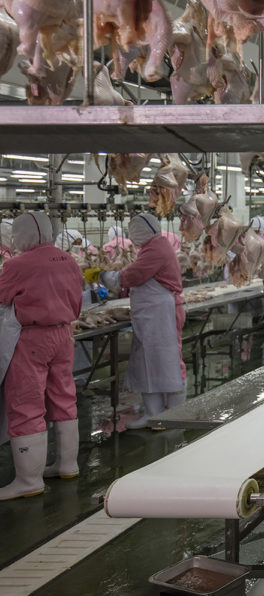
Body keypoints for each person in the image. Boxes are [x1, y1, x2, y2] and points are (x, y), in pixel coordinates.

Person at [0, 211, 84, 499]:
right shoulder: (68, 259)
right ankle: (67, 464)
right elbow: (78, 298)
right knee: (63, 395)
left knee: (26, 402)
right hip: (63, 334)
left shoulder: (17, 264)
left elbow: (2, 298)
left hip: (33, 337)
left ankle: (28, 480)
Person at [100, 214, 186, 429]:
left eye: (134, 229)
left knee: (168, 362)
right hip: (152, 316)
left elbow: (133, 276)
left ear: (143, 230)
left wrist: (106, 277)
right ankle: (152, 414)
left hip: (161, 314)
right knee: (148, 363)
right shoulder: (153, 246)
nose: (131, 233)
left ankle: (174, 416)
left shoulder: (156, 248)